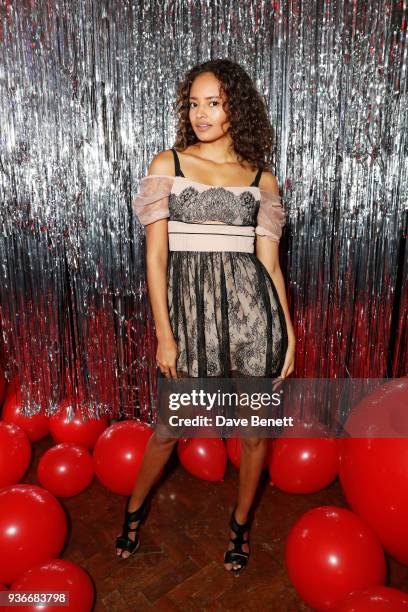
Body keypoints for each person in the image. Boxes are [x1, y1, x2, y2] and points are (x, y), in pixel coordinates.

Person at [115, 58, 296, 574]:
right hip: (188, 318)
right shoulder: (167, 166)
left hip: (252, 317)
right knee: (170, 428)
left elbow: (270, 266)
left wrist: (287, 331)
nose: (201, 113)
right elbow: (156, 258)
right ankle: (134, 509)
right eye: (194, 103)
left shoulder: (262, 178)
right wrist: (164, 334)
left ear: (235, 106)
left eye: (213, 102)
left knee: (255, 433)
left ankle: (240, 524)